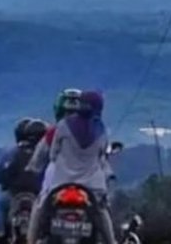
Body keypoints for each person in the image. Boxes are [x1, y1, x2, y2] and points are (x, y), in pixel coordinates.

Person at [27, 90, 116, 244]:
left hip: (61, 182)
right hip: (92, 186)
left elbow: (53, 153)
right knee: (102, 212)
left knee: (40, 207)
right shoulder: (101, 129)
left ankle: (31, 240)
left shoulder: (62, 126)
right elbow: (101, 156)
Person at [0, 118, 47, 244]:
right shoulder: (45, 154)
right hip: (39, 195)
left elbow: (0, 172)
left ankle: (0, 233)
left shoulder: (13, 151)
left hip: (14, 194)